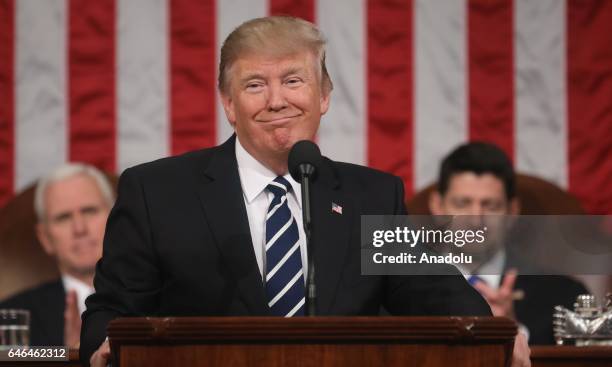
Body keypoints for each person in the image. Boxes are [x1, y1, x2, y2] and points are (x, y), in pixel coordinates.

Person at [81, 17, 529, 367]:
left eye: (293, 81)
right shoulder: (157, 193)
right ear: (228, 104)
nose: (277, 101)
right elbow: (111, 313)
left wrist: (497, 333)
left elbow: (441, 295)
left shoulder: (371, 196)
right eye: (255, 85)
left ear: (324, 96)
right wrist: (102, 349)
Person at [428, 142, 589, 344]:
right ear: (437, 206)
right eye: (462, 204)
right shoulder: (400, 289)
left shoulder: (564, 295)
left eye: (491, 206)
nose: (476, 220)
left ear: (512, 211)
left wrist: (516, 333)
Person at [0, 163, 114, 347]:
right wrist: (65, 357)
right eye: (63, 217)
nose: (80, 229)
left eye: (89, 211)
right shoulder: (10, 319)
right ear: (45, 238)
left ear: (116, 219)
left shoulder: (161, 301)